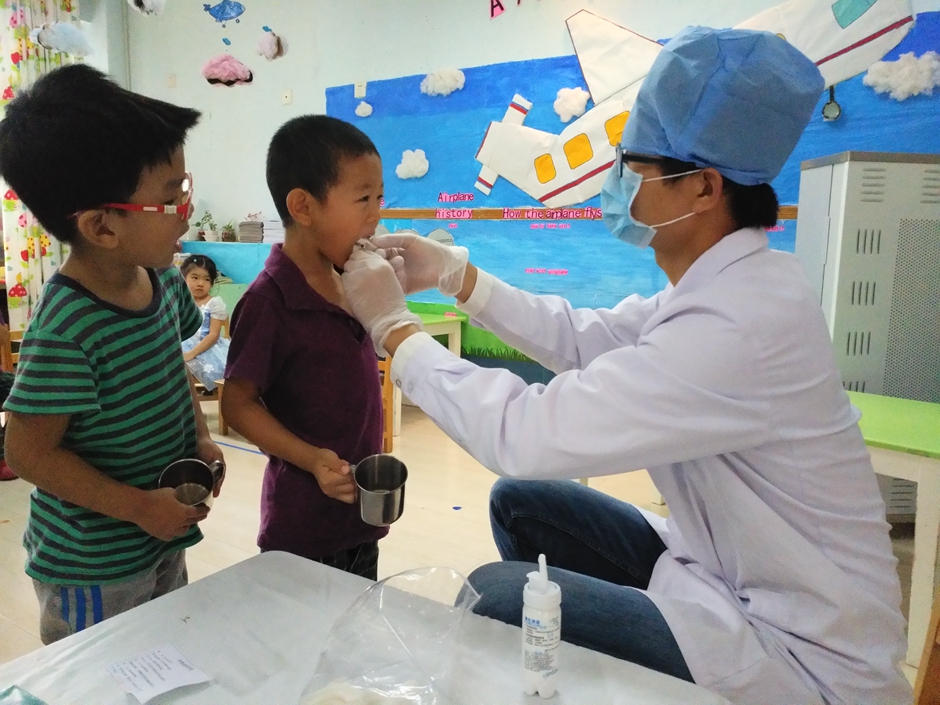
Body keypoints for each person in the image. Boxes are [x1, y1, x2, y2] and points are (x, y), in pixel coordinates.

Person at [340, 26, 911, 705]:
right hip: (719, 574)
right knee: (522, 506)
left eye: (634, 167)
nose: (615, 183)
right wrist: (454, 274)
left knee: (496, 598)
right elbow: (583, 337)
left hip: (802, 652)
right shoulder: (727, 284)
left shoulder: (740, 325)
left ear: (703, 188)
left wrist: (396, 332)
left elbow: (526, 433)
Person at [0, 65, 224, 644]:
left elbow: (172, 368)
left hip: (160, 533)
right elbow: (27, 453)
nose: (186, 210)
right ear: (102, 227)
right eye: (171, 197)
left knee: (162, 656)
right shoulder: (68, 328)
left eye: (185, 188)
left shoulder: (163, 279)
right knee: (100, 675)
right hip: (93, 565)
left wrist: (200, 436)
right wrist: (137, 508)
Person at [221, 115, 388, 579]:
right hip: (303, 527)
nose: (376, 214)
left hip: (359, 517)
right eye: (363, 199)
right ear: (303, 206)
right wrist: (312, 460)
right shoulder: (269, 301)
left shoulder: (350, 276)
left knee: (356, 616)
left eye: (379, 198)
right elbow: (237, 404)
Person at [180, 254, 231, 392]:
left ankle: (207, 392)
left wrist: (191, 354)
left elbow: (213, 335)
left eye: (207, 279)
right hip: (182, 346)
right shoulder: (180, 302)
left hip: (207, 347)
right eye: (195, 277)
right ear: (183, 278)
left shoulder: (214, 303)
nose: (200, 283)